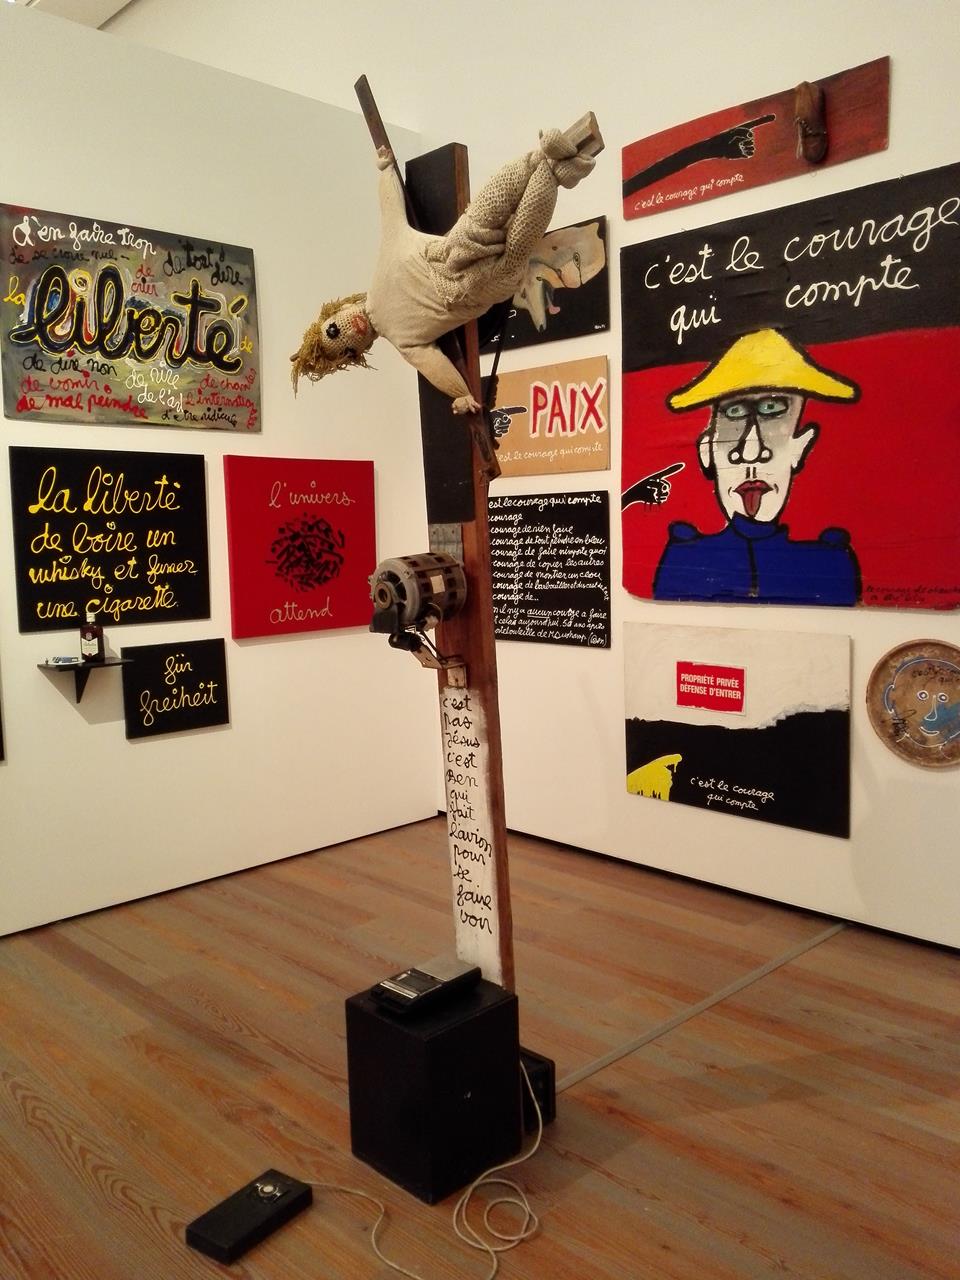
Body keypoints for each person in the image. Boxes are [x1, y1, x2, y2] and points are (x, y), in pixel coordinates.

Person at [290, 122, 600, 414]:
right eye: (346, 348)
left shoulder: (385, 267)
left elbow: (391, 212)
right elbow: (434, 367)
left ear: (337, 310)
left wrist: (385, 170)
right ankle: (551, 170)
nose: (349, 333)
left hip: (453, 253)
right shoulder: (406, 342)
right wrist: (460, 394)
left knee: (486, 212)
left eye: (335, 329)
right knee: (520, 240)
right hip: (472, 290)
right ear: (358, 352)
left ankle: (542, 159)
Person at [653, 328, 861, 605]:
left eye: (772, 409)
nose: (751, 452)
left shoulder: (831, 565)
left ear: (801, 446)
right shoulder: (683, 560)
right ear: (707, 450)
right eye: (735, 412)